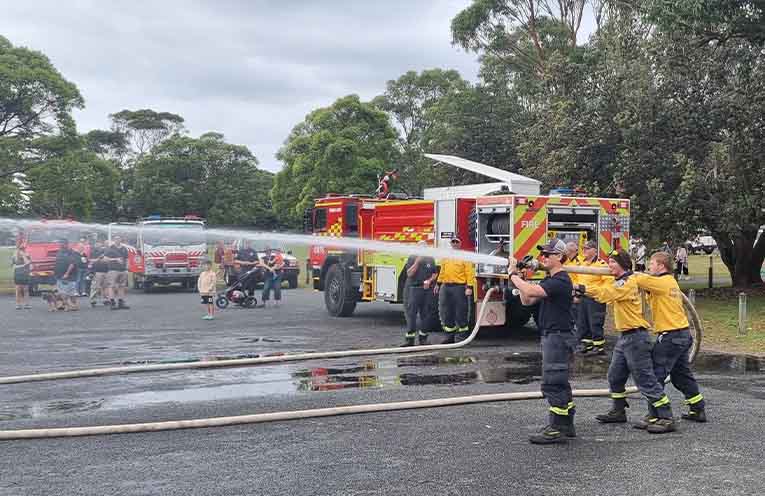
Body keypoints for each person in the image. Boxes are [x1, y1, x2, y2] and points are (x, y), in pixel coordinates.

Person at [579, 250, 676, 434]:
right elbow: (605, 290)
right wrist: (582, 289)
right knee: (615, 376)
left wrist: (585, 290)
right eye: (608, 262)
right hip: (624, 337)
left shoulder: (628, 282)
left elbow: (608, 293)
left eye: (613, 262)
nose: (609, 266)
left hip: (636, 338)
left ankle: (666, 416)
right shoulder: (619, 280)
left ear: (622, 264)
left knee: (645, 379)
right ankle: (618, 410)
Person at [508, 239, 575, 444]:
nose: (543, 257)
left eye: (548, 254)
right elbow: (526, 299)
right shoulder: (548, 281)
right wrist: (520, 278)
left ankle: (557, 428)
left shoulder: (561, 280)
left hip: (558, 336)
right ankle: (566, 425)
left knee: (553, 382)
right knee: (559, 381)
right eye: (543, 254)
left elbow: (530, 292)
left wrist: (512, 275)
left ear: (559, 257)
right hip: (551, 335)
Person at [634, 251, 707, 425]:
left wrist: (621, 271)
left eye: (651, 263)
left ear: (661, 266)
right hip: (682, 335)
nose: (648, 266)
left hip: (671, 337)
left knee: (654, 376)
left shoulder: (661, 282)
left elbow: (636, 279)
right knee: (681, 375)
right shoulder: (669, 282)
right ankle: (698, 409)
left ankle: (657, 415)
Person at [435, 237, 474, 344]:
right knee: (446, 312)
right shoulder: (446, 257)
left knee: (461, 312)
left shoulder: (464, 257)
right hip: (446, 287)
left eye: (457, 241)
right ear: (451, 243)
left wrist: (469, 287)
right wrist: (438, 284)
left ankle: (462, 337)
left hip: (459, 288)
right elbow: (442, 271)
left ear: (460, 244)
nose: (455, 243)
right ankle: (449, 336)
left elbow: (469, 273)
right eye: (453, 242)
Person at [402, 242, 438, 346]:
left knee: (426, 314)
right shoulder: (412, 258)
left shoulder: (430, 259)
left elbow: (435, 273)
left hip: (427, 290)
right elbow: (409, 273)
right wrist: (417, 262)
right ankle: (409, 339)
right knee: (411, 314)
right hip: (414, 289)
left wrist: (430, 281)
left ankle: (423, 338)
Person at [575, 240, 607, 354]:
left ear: (594, 250)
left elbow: (608, 282)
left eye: (587, 248)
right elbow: (577, 279)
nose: (584, 250)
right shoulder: (581, 263)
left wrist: (600, 294)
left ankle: (598, 347)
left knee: (595, 322)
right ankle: (586, 345)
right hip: (583, 297)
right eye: (583, 248)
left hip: (595, 298)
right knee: (583, 323)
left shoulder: (601, 264)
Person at [105, 235, 130, 310]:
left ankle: (121, 302)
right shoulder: (110, 248)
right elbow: (105, 259)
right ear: (113, 240)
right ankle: (112, 303)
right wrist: (115, 259)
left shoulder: (124, 248)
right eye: (116, 239)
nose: (117, 240)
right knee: (111, 286)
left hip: (123, 270)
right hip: (113, 270)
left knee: (122, 286)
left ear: (121, 240)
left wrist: (127, 268)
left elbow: (127, 259)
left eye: (119, 239)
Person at [54, 239, 79, 311]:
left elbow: (72, 264)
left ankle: (71, 306)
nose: (60, 245)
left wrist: (67, 273)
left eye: (61, 243)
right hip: (59, 275)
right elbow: (57, 262)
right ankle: (63, 305)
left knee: (68, 293)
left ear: (66, 244)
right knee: (62, 292)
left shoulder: (72, 253)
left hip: (69, 276)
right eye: (59, 243)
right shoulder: (59, 252)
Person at [563, 241, 582, 333]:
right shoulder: (568, 261)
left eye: (566, 250)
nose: (565, 251)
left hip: (576, 295)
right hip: (569, 294)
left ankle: (579, 337)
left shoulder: (578, 262)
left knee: (577, 319)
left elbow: (581, 281)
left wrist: (577, 296)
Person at [89, 239, 110, 307]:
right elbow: (91, 261)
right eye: (97, 244)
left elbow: (108, 261)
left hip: (106, 271)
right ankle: (92, 300)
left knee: (105, 287)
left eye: (99, 244)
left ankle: (106, 300)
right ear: (95, 245)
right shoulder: (93, 252)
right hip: (97, 271)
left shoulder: (107, 251)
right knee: (95, 287)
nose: (98, 245)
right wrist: (99, 259)